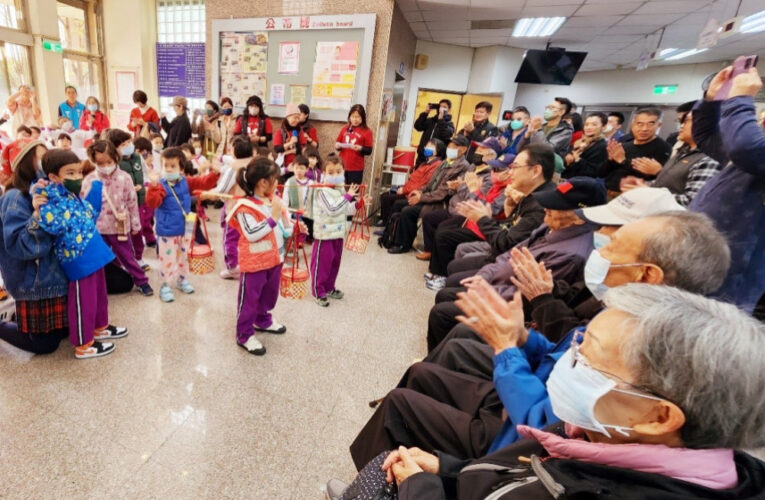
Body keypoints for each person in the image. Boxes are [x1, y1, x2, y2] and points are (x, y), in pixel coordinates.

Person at [337, 284, 765, 500]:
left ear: (658, 416)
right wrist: (449, 471)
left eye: (587, 357)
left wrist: (421, 490)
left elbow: (532, 427)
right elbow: (513, 474)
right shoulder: (599, 432)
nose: (571, 363)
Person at [422, 196, 727, 392]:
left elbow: (567, 370)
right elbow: (570, 331)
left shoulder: (645, 335)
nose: (601, 240)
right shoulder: (620, 293)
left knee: (455, 337)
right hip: (541, 352)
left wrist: (523, 327)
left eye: (613, 236)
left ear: (649, 271)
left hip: (543, 396)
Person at [427, 177, 606, 351]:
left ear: (579, 218)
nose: (547, 208)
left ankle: (439, 361)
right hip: (498, 285)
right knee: (446, 294)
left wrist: (485, 291)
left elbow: (524, 296)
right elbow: (510, 254)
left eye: (557, 205)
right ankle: (438, 355)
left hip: (508, 306)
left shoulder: (570, 255)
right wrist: (484, 277)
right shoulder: (552, 226)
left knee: (442, 313)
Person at [38, 148, 128, 359]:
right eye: (70, 173)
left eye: (78, 172)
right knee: (83, 302)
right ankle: (83, 343)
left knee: (98, 296)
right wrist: (39, 192)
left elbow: (90, 213)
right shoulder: (50, 198)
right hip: (78, 259)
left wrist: (96, 188)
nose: (77, 177)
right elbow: (52, 225)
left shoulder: (72, 196)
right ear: (53, 177)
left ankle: (100, 327)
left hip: (93, 253)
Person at [427, 143, 556, 287]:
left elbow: (504, 235)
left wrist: (481, 213)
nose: (510, 173)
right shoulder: (527, 194)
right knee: (442, 230)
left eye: (515, 168)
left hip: (505, 255)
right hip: (492, 235)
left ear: (536, 170)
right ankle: (438, 274)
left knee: (447, 243)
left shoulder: (540, 204)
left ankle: (445, 281)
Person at [691, 64, 765, 314]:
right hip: (697, 258)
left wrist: (740, 98)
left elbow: (746, 147)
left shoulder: (753, 153)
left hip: (729, 281)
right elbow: (705, 136)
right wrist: (713, 99)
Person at [0, 139, 68, 354]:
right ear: (26, 162)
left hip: (54, 280)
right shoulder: (15, 197)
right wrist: (37, 217)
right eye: (41, 157)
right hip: (33, 284)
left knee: (63, 333)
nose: (46, 162)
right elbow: (22, 246)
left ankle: (17, 315)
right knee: (44, 345)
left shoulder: (52, 192)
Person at [227, 157, 297, 355]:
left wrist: (293, 227)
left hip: (274, 259)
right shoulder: (245, 207)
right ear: (263, 182)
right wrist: (273, 216)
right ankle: (244, 334)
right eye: (275, 179)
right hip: (255, 263)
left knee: (269, 294)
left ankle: (263, 320)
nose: (278, 184)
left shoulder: (272, 201)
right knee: (249, 299)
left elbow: (283, 227)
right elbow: (251, 233)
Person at [390, 136, 500, 256]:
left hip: (443, 203)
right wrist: (420, 192)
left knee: (409, 211)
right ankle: (394, 238)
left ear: (463, 150)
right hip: (442, 199)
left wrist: (422, 197)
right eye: (449, 146)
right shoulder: (451, 163)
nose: (450, 149)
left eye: (454, 147)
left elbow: (444, 192)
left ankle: (407, 245)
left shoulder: (465, 167)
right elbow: (432, 183)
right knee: (399, 203)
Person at [145, 147, 220, 303]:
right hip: (167, 231)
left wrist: (215, 173)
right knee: (167, 259)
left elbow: (203, 182)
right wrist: (153, 186)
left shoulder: (186, 182)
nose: (168, 169)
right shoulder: (160, 185)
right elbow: (153, 202)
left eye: (173, 166)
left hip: (185, 229)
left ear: (181, 168)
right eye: (166, 165)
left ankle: (181, 279)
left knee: (183, 257)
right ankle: (165, 285)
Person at [82, 140, 153, 296]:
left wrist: (136, 226)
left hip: (120, 227)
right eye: (101, 163)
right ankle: (112, 280)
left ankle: (141, 281)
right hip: (99, 229)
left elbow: (132, 203)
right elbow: (84, 206)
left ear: (115, 158)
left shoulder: (125, 178)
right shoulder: (89, 180)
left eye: (109, 161)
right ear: (94, 161)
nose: (106, 165)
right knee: (105, 259)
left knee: (128, 256)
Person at [621, 107, 722, 207]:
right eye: (680, 122)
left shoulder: (708, 159)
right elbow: (666, 183)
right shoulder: (683, 152)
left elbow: (692, 202)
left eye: (686, 121)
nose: (681, 126)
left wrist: (648, 192)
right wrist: (643, 184)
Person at [307, 153, 368, 307]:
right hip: (324, 235)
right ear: (324, 173)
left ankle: (329, 287)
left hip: (338, 234)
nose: (335, 175)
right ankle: (317, 290)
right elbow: (333, 209)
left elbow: (346, 209)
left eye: (339, 171)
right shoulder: (322, 191)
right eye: (331, 172)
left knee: (334, 264)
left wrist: (358, 204)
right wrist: (348, 196)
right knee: (322, 265)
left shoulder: (340, 189)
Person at [599, 107, 672, 196]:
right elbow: (601, 173)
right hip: (607, 192)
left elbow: (654, 177)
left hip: (634, 196)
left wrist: (623, 161)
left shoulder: (663, 147)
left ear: (659, 125)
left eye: (650, 124)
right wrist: (610, 160)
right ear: (633, 125)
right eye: (640, 124)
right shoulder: (624, 143)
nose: (644, 128)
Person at [108, 129, 150, 270]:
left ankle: (139, 257)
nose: (128, 146)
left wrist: (143, 186)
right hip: (122, 205)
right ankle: (122, 261)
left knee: (137, 230)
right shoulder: (114, 163)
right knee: (123, 234)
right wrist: (128, 189)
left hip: (139, 201)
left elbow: (146, 173)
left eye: (129, 142)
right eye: (123, 144)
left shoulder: (138, 157)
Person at [378, 138, 445, 226]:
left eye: (430, 146)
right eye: (427, 146)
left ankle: (389, 226)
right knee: (385, 195)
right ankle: (386, 223)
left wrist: (404, 190)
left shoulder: (436, 165)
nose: (426, 148)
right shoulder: (425, 163)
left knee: (392, 201)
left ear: (437, 151)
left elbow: (423, 184)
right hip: (408, 190)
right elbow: (414, 179)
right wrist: (402, 187)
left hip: (414, 194)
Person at [335, 104, 373, 185]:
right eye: (353, 116)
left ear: (362, 118)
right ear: (349, 117)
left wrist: (360, 148)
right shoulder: (345, 129)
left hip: (356, 168)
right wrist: (337, 146)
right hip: (342, 166)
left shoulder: (367, 131)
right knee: (340, 189)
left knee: (353, 192)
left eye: (358, 117)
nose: (355, 119)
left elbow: (369, 150)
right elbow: (338, 144)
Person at [562, 112, 608, 179]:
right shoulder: (579, 142)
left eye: (594, 124)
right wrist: (567, 158)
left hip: (582, 184)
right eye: (586, 124)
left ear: (603, 127)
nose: (589, 127)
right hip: (568, 179)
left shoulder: (602, 146)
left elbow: (595, 171)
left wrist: (578, 160)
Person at [413, 99, 455, 166]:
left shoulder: (449, 124)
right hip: (422, 157)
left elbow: (446, 135)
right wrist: (425, 113)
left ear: (449, 110)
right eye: (440, 106)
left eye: (444, 107)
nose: (441, 109)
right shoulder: (430, 121)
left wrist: (441, 119)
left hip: (436, 160)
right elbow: (417, 126)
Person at [273, 103, 309, 170]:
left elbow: (304, 147)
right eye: (295, 118)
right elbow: (277, 149)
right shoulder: (280, 132)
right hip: (283, 165)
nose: (297, 120)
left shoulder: (300, 131)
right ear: (287, 117)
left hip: (297, 165)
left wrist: (296, 150)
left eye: (298, 118)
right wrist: (290, 143)